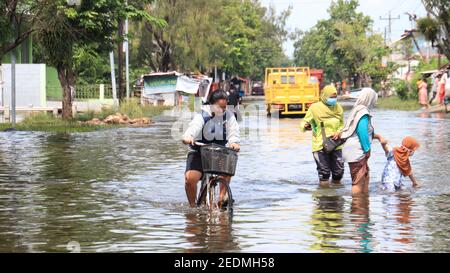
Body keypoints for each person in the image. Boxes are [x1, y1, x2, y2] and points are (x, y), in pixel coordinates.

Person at [182, 89, 240, 208]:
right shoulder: (202, 115)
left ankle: (221, 199)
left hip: (219, 151)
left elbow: (233, 133)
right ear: (211, 104)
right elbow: (193, 129)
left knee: (228, 168)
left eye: (224, 107)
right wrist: (188, 137)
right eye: (219, 107)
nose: (221, 110)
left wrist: (234, 143)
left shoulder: (229, 116)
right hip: (199, 151)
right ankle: (192, 206)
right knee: (190, 179)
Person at [300, 85, 345, 187]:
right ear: (324, 96)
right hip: (320, 145)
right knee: (324, 174)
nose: (333, 99)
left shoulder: (338, 108)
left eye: (335, 97)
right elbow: (303, 122)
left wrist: (339, 132)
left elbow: (342, 124)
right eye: (331, 97)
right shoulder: (314, 108)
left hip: (336, 144)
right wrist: (306, 126)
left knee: (338, 173)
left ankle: (336, 197)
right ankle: (324, 197)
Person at [338, 88, 378, 195]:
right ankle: (357, 207)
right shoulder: (363, 112)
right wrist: (367, 149)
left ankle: (363, 203)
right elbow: (362, 132)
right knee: (358, 180)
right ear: (370, 99)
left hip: (351, 149)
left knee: (364, 175)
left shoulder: (356, 109)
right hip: (357, 150)